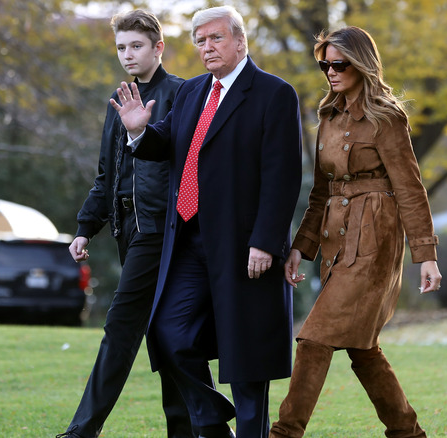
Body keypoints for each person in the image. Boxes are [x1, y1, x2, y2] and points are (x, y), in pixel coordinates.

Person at [110, 6, 302, 438]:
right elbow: (168, 142)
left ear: (240, 42)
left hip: (245, 245)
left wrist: (267, 242)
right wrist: (140, 131)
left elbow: (282, 175)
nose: (207, 48)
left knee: (248, 360)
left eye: (216, 38)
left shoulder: (274, 93)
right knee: (167, 334)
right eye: (200, 41)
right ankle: (214, 423)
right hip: (189, 241)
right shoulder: (194, 91)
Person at [268, 26, 443, 438]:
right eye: (324, 63)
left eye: (339, 63)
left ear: (361, 63)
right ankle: (408, 433)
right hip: (336, 240)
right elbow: (320, 190)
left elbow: (410, 189)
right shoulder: (327, 116)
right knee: (363, 350)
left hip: (376, 243)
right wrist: (301, 248)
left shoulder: (387, 116)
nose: (330, 71)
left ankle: (283, 433)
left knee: (313, 339)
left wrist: (426, 255)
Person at [57, 9, 192, 438]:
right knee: (165, 334)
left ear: (158, 47)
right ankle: (194, 429)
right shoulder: (118, 101)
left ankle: (82, 430)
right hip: (127, 230)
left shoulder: (182, 94)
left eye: (136, 46)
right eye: (121, 47)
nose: (127, 55)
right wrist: (84, 228)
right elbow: (106, 176)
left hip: (162, 231)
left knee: (120, 327)